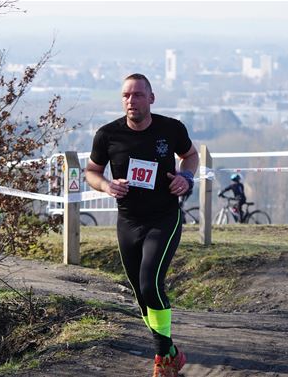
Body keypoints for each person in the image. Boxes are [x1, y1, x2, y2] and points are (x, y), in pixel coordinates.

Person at [85, 73, 198, 377]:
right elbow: (92, 171)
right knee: (139, 293)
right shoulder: (108, 135)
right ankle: (172, 352)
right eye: (126, 95)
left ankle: (162, 359)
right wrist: (107, 186)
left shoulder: (170, 128)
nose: (131, 101)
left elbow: (190, 156)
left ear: (151, 98)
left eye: (137, 95)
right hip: (128, 220)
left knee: (151, 283)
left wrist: (185, 178)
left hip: (163, 218)